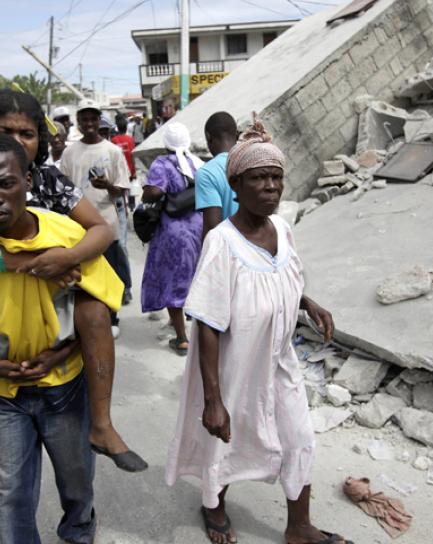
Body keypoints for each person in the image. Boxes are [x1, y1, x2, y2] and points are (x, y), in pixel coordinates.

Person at [0, 89, 145, 536]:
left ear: (28, 175)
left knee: (93, 315)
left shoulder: (52, 187)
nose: (17, 140)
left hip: (60, 328)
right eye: (3, 132)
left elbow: (99, 231)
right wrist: (26, 263)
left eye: (26, 133)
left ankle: (101, 425)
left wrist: (65, 259)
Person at [166, 117, 350, 544]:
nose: (270, 186)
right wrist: (213, 399)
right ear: (236, 186)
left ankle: (299, 527)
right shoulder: (223, 243)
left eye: (276, 177)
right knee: (222, 441)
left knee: (299, 437)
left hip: (278, 361)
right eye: (258, 178)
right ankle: (213, 507)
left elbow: (279, 276)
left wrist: (308, 302)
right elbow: (208, 322)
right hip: (232, 367)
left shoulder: (283, 230)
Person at [60, 99, 132, 331]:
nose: (89, 123)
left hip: (107, 225)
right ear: (78, 122)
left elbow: (121, 189)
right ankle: (85, 322)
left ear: (98, 120)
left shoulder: (112, 151)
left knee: (108, 273)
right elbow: (63, 190)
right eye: (84, 119)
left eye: (93, 118)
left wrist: (107, 186)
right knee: (83, 277)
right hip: (77, 228)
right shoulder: (70, 152)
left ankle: (112, 320)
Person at [141, 123, 204, 356]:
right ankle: (186, 326)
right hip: (199, 227)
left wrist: (146, 190)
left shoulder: (162, 164)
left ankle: (182, 339)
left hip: (174, 232)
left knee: (172, 281)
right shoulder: (198, 163)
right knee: (192, 277)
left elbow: (155, 192)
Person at [196, 112, 240, 239]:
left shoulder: (207, 173)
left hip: (228, 253)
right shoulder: (251, 162)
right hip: (258, 250)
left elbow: (212, 228)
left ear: (208, 137)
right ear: (237, 135)